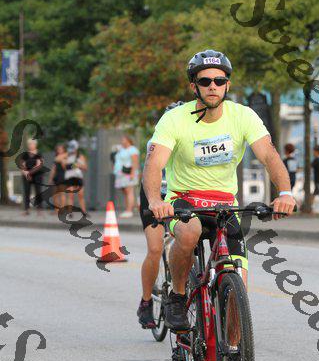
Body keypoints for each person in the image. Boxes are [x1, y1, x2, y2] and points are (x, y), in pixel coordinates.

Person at [143, 49, 296, 331]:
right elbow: (154, 165)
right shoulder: (174, 119)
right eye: (205, 81)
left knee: (239, 292)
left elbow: (269, 156)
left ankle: (234, 349)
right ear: (194, 86)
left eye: (219, 80)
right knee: (189, 233)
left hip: (224, 204)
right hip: (184, 200)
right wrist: (155, 200)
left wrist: (285, 193)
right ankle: (178, 296)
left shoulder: (243, 116)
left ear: (227, 85)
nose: (212, 86)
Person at [137, 102, 184, 329]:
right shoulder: (158, 141)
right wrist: (155, 201)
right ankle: (146, 302)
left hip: (179, 194)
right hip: (155, 194)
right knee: (155, 248)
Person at [113, 135, 140, 218]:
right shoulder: (121, 149)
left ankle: (129, 210)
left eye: (123, 140)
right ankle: (132, 207)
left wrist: (132, 173)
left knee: (129, 191)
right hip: (120, 173)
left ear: (128, 140)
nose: (122, 141)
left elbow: (135, 162)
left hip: (128, 173)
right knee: (125, 191)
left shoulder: (132, 149)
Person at [19, 138, 44, 215]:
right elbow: (22, 165)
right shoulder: (25, 154)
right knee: (27, 192)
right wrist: (26, 173)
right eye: (30, 144)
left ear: (35, 145)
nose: (31, 145)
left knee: (38, 192)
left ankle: (39, 210)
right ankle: (26, 210)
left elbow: (39, 165)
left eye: (32, 144)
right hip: (26, 175)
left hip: (37, 175)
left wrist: (29, 173)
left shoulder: (39, 154)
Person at [64, 140, 88, 214]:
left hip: (78, 177)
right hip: (69, 177)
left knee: (81, 195)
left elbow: (85, 168)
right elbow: (61, 163)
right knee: (70, 195)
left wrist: (78, 165)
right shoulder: (66, 156)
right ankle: (70, 212)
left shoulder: (80, 156)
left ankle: (84, 212)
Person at [48, 143, 68, 212]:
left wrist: (62, 161)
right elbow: (53, 169)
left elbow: (66, 168)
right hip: (56, 177)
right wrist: (51, 178)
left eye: (61, 149)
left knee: (62, 193)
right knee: (54, 194)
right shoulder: (56, 157)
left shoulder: (66, 156)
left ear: (64, 149)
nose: (59, 150)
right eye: (58, 149)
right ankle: (56, 210)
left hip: (63, 176)